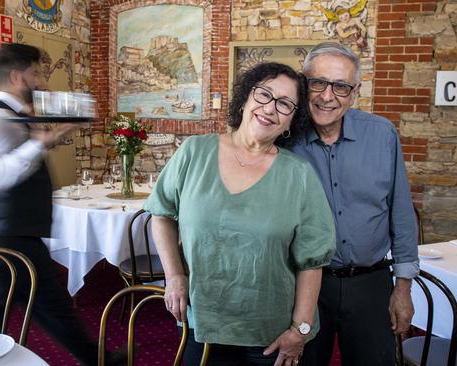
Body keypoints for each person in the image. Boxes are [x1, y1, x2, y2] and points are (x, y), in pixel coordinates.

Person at [143, 62, 336, 366]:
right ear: (246, 98)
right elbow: (162, 215)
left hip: (271, 335)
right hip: (202, 324)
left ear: (291, 122)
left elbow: (311, 261)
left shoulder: (299, 175)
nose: (270, 108)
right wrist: (174, 275)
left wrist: (300, 330)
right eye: (264, 95)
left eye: (284, 104)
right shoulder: (194, 152)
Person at [0, 43, 122, 365]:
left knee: (53, 307)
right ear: (17, 76)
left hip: (21, 236)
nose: (43, 82)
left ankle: (98, 360)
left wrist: (50, 137)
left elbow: (22, 163)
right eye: (37, 73)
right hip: (0, 241)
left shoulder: (19, 117)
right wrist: (39, 144)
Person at [290, 42, 419, 366]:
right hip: (303, 286)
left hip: (371, 285)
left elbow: (401, 214)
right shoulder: (284, 139)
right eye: (317, 83)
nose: (326, 96)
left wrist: (403, 288)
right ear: (304, 84)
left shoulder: (382, 135)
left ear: (355, 91)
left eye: (341, 86)